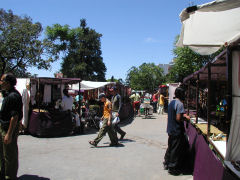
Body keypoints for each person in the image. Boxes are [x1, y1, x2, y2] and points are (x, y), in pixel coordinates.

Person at [0, 73, 23, 180]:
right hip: (4, 127)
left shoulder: (13, 96)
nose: (0, 82)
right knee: (4, 154)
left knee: (10, 156)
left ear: (7, 83)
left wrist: (9, 134)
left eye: (1, 80)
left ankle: (10, 176)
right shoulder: (7, 94)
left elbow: (15, 117)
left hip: (8, 128)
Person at [163, 87, 190, 176]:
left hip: (171, 129)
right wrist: (186, 117)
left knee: (171, 147)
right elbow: (178, 118)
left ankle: (166, 163)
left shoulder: (172, 102)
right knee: (175, 149)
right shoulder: (180, 104)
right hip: (176, 130)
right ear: (181, 94)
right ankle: (173, 168)